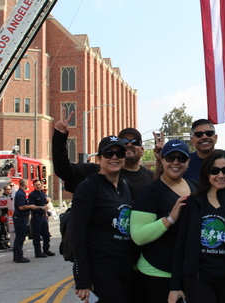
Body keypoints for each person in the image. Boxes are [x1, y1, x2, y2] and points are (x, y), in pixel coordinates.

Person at [169, 150, 225, 303]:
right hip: (198, 279)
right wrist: (174, 286)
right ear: (207, 173)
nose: (220, 175)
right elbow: (180, 245)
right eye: (214, 170)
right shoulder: (192, 203)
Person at [130, 139, 197, 302]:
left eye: (181, 158)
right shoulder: (150, 192)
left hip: (187, 272)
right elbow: (138, 236)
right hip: (156, 272)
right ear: (162, 160)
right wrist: (170, 219)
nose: (175, 162)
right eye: (170, 157)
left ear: (188, 161)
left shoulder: (195, 187)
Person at [72, 136, 134, 303]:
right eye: (108, 153)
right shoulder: (88, 187)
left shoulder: (126, 186)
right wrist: (82, 279)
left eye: (119, 153)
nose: (114, 157)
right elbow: (77, 234)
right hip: (101, 271)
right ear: (99, 158)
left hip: (127, 269)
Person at [52, 108, 154, 195]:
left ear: (141, 150)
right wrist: (60, 137)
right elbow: (63, 170)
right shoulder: (94, 174)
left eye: (135, 142)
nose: (129, 144)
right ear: (99, 157)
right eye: (124, 141)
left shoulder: (152, 178)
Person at [12, 178, 37, 263]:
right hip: (20, 218)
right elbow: (21, 207)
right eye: (27, 183)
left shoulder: (20, 193)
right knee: (20, 237)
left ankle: (16, 255)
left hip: (20, 217)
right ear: (24, 184)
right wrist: (30, 206)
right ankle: (19, 256)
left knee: (19, 237)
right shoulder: (20, 194)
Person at [28, 180, 55, 258]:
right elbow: (32, 206)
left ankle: (46, 250)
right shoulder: (32, 195)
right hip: (36, 216)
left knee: (46, 235)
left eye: (39, 184)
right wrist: (41, 208)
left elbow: (44, 204)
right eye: (36, 185)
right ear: (34, 186)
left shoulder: (42, 194)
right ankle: (38, 252)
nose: (38, 186)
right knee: (37, 235)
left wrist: (46, 212)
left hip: (43, 216)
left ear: (41, 185)